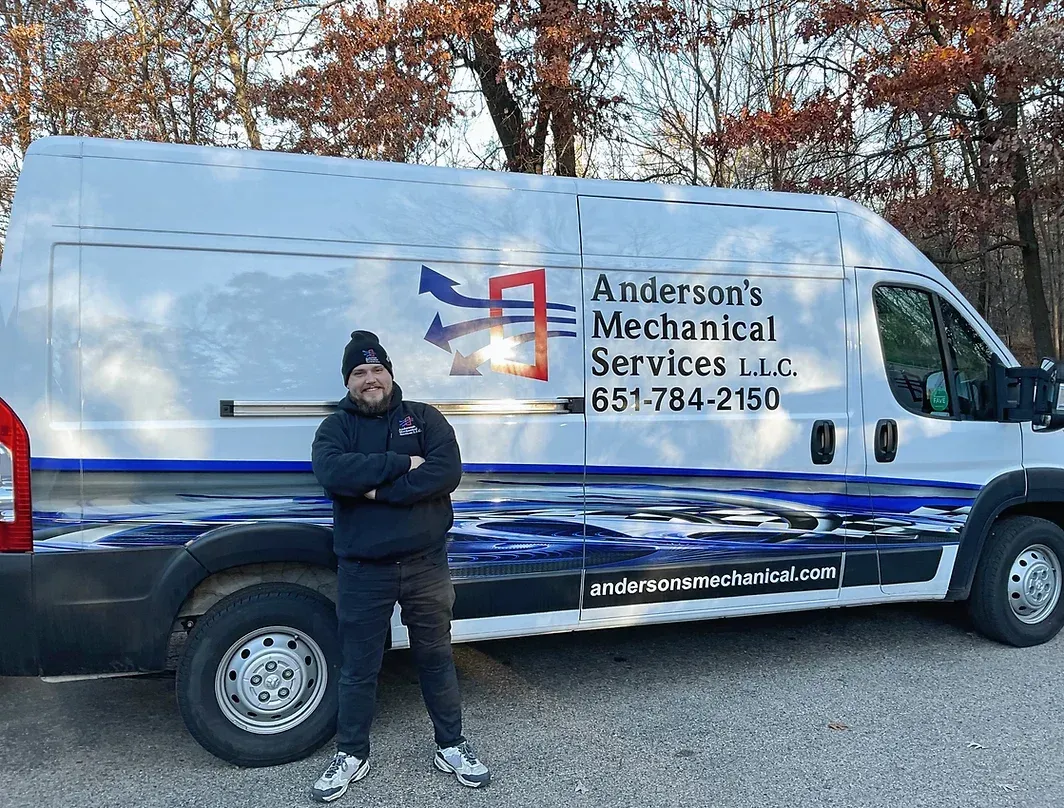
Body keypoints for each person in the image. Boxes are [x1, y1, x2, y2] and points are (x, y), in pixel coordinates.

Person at [309, 330, 490, 802]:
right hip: (363, 570)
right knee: (359, 666)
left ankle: (450, 745)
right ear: (348, 382)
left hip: (425, 564)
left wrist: (377, 489)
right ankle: (352, 753)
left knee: (435, 657)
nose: (371, 380)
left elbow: (446, 471)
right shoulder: (336, 429)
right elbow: (334, 473)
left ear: (391, 373)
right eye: (359, 373)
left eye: (378, 370)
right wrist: (400, 462)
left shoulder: (424, 418)